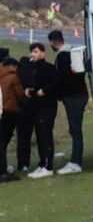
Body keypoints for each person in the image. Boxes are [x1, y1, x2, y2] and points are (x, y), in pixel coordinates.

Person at [48, 29, 87, 174]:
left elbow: (61, 79)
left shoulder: (62, 56)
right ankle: (75, 160)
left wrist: (58, 94)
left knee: (75, 129)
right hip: (80, 94)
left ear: (53, 42)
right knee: (75, 129)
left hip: (72, 96)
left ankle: (76, 162)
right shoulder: (73, 52)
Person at [19, 43, 57, 178]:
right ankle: (42, 164)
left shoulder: (49, 68)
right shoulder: (33, 68)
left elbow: (55, 83)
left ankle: (48, 166)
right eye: (32, 52)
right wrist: (29, 90)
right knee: (40, 135)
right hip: (36, 107)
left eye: (35, 51)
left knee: (46, 135)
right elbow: (33, 85)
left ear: (43, 53)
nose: (32, 54)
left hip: (47, 106)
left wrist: (44, 90)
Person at [0, 58, 23, 182]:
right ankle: (3, 172)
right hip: (9, 111)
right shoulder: (12, 77)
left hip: (1, 110)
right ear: (12, 66)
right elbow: (20, 93)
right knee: (3, 142)